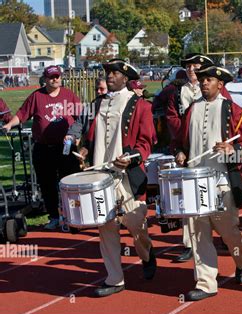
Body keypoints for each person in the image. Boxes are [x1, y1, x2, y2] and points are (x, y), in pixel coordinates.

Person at [67, 59, 157, 297]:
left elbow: (146, 142)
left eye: (114, 73)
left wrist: (131, 157)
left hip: (127, 175)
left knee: (136, 225)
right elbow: (89, 137)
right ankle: (115, 279)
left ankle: (147, 254)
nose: (109, 76)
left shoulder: (141, 106)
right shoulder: (97, 104)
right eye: (107, 73)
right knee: (106, 227)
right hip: (100, 176)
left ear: (125, 79)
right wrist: (84, 150)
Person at [173, 65, 242, 301]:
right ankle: (206, 282)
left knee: (229, 235)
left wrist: (232, 149)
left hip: (222, 183)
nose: (204, 83)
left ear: (220, 84)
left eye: (209, 80)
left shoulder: (234, 111)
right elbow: (179, 141)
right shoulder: (191, 110)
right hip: (194, 182)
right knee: (199, 235)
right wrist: (179, 152)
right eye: (202, 80)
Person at [152, 53, 214, 263]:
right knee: (189, 197)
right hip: (188, 149)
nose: (191, 69)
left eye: (195, 66)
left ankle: (221, 233)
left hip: (213, 150)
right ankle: (189, 243)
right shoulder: (177, 91)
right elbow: (173, 119)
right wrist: (181, 146)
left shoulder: (215, 88)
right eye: (188, 66)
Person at [2, 65, 82, 230]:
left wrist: (77, 136)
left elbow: (81, 117)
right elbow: (22, 114)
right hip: (43, 147)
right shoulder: (37, 96)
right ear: (45, 79)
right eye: (52, 77)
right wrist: (9, 125)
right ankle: (54, 217)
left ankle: (74, 216)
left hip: (65, 147)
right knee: (47, 184)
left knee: (71, 183)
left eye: (57, 76)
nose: (55, 79)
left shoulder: (68, 95)